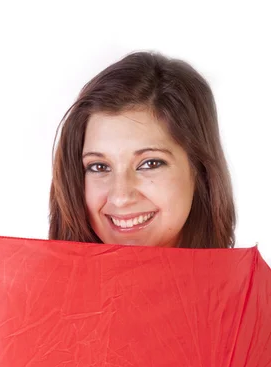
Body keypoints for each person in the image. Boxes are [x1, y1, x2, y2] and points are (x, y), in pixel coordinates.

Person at [48, 51, 236, 248]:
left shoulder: (252, 279)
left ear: (200, 171)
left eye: (150, 163)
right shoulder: (40, 279)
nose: (120, 197)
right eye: (99, 167)